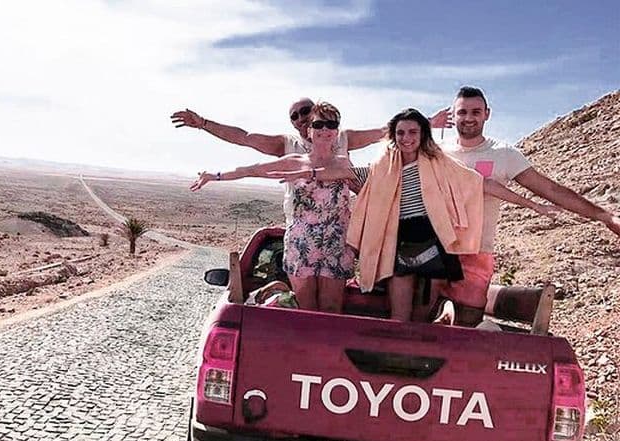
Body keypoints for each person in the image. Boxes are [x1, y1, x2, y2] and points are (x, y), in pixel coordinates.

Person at [273, 109, 559, 322]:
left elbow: (483, 184)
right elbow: (343, 172)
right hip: (398, 239)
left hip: (433, 238)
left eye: (412, 132)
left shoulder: (439, 164)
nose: (406, 138)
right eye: (400, 133)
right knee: (399, 311)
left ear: (422, 134)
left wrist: (534, 205)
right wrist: (303, 171)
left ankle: (422, 349)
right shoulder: (383, 165)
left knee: (425, 310)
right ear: (393, 137)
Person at [433, 86, 620, 325]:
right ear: (452, 114)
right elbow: (398, 145)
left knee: (466, 322)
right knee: (420, 316)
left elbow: (550, 190)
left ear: (487, 114)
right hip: (435, 246)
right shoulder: (438, 151)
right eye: (462, 112)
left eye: (475, 112)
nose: (469, 118)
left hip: (477, 250)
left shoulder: (503, 154)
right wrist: (429, 122)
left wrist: (604, 216)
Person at [190, 102, 355, 313]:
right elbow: (253, 170)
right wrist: (215, 176)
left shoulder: (345, 164)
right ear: (310, 130)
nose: (325, 130)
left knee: (332, 310)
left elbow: (371, 184)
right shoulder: (294, 162)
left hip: (336, 244)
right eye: (319, 124)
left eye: (331, 124)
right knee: (306, 310)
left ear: (337, 130)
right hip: (302, 245)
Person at [170, 99, 452, 158]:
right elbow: (244, 138)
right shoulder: (287, 145)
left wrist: (429, 122)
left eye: (306, 111)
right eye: (295, 116)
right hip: (302, 232)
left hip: (337, 230)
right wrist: (204, 124)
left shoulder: (342, 138)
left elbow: (386, 130)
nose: (301, 118)